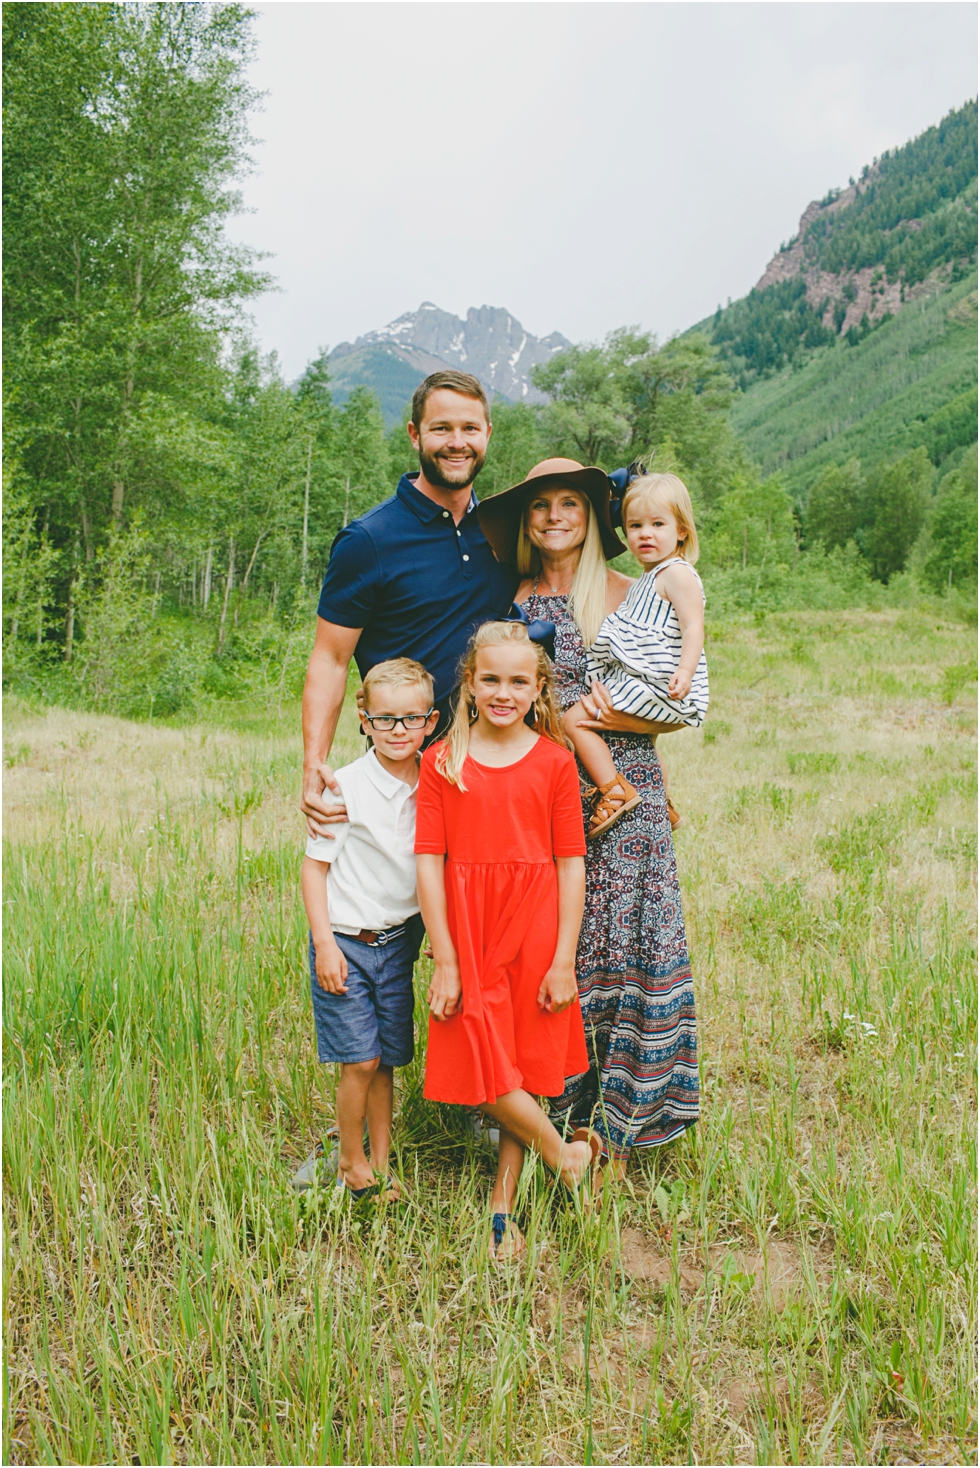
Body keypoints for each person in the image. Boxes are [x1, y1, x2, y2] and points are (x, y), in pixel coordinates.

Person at [476, 458, 699, 1178]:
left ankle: (625, 1127)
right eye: (540, 506)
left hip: (624, 788)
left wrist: (632, 750)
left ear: (592, 515)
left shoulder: (633, 591)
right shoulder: (512, 603)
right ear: (526, 523)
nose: (554, 517)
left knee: (629, 946)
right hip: (541, 794)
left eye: (570, 503)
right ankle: (553, 1114)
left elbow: (676, 702)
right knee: (557, 952)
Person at [414, 621, 600, 1259]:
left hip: (535, 928)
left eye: (518, 681)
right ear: (467, 683)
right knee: (482, 1060)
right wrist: (444, 957)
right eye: (489, 678)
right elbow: (429, 862)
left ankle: (502, 1206)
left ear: (539, 688)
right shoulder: (442, 762)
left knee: (518, 1064)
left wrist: (563, 959)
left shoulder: (553, 761)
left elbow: (571, 862)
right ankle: (565, 1156)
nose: (503, 691)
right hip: (469, 931)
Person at [300, 370, 517, 838]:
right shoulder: (368, 540)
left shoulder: (507, 531)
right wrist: (313, 762)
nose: (456, 442)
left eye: (469, 429)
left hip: (498, 763)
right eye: (441, 428)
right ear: (415, 434)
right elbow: (330, 658)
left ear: (487, 435)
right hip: (404, 768)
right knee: (398, 910)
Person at [299, 658, 439, 1198]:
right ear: (364, 719)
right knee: (360, 1060)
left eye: (411, 718)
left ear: (430, 721)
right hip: (346, 941)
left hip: (399, 942)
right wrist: (324, 945)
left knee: (387, 1060)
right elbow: (315, 869)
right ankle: (350, 1162)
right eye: (386, 719)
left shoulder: (436, 782)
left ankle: (381, 1164)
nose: (399, 730)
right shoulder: (346, 787)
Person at [563, 472, 708, 839]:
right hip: (647, 677)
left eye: (658, 524)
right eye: (635, 525)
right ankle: (663, 800)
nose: (645, 533)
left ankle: (613, 788)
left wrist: (686, 672)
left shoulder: (677, 574)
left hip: (658, 679)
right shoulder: (648, 579)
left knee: (574, 720)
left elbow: (693, 627)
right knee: (650, 742)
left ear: (682, 532)